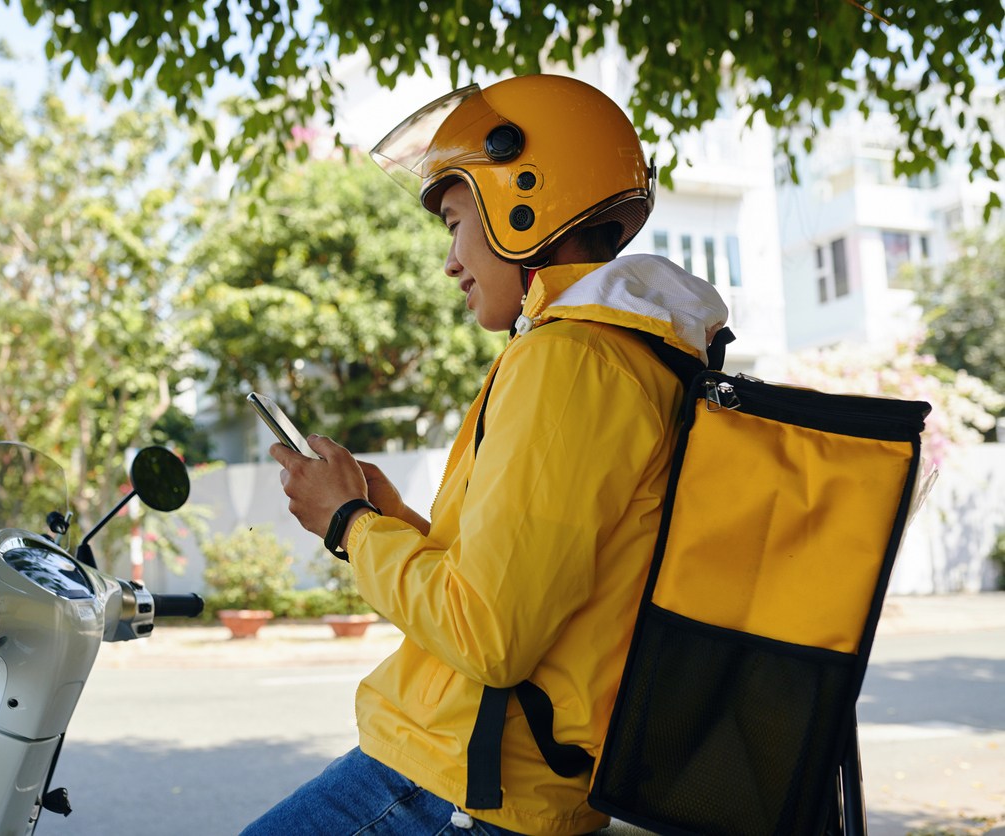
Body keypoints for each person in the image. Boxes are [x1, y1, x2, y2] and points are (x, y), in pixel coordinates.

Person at [245, 75, 729, 836]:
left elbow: (488, 637)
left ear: (522, 194)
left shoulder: (572, 361)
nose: (450, 262)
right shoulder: (626, 353)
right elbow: (508, 590)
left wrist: (347, 524)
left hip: (458, 787)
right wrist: (385, 515)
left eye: (453, 222)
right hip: (483, 777)